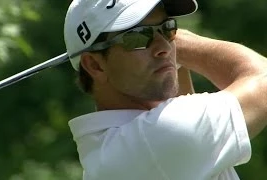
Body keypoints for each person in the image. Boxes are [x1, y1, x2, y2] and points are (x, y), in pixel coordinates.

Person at [64, 0, 267, 179]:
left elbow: (178, 100)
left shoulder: (114, 152)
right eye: (137, 36)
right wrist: (186, 42)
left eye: (167, 28)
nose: (164, 46)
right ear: (95, 65)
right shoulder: (157, 139)